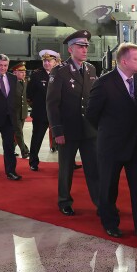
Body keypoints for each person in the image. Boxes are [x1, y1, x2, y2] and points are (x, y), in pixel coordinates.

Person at [86, 43, 137, 238]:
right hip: (111, 146)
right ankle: (110, 223)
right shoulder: (104, 83)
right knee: (109, 188)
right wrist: (109, 133)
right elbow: (92, 115)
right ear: (124, 61)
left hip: (135, 144)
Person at [46, 30, 100, 216]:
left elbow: (93, 100)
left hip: (89, 130)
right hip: (68, 131)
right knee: (66, 168)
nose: (84, 49)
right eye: (80, 46)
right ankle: (64, 201)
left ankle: (100, 202)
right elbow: (52, 104)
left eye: (86, 46)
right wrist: (57, 131)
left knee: (93, 168)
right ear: (71, 49)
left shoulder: (91, 70)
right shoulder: (59, 71)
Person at [27, 49, 60, 171]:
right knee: (37, 138)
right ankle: (33, 161)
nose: (46, 63)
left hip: (57, 114)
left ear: (55, 61)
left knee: (63, 139)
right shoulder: (36, 75)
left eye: (49, 60)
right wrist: (36, 107)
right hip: (41, 113)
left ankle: (68, 162)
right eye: (44, 61)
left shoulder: (60, 73)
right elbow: (29, 94)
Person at [11, 62, 30, 159]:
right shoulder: (11, 83)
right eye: (21, 72)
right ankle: (25, 151)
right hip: (14, 112)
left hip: (22, 111)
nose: (24, 74)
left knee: (18, 132)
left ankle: (11, 149)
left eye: (24, 72)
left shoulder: (25, 81)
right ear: (15, 73)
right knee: (18, 132)